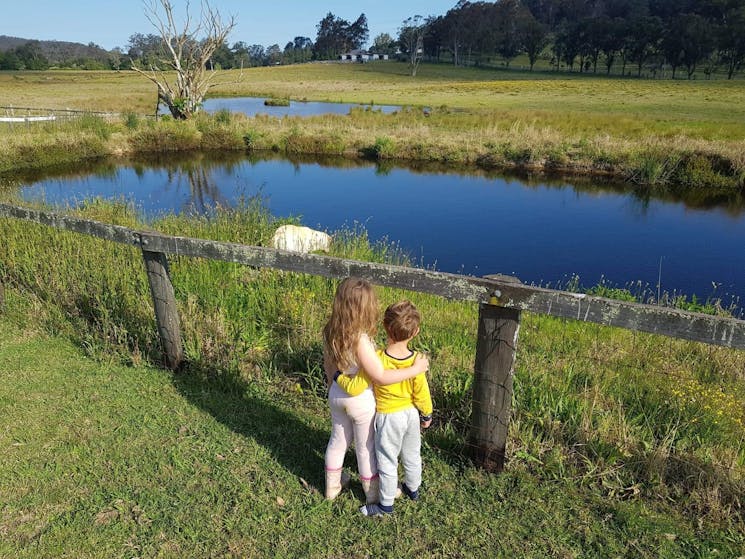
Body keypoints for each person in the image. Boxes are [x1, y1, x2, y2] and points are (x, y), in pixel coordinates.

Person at [323, 278, 429, 503]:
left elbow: (328, 363)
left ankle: (332, 487)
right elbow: (380, 375)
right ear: (366, 309)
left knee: (338, 440)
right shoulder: (360, 340)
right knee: (365, 447)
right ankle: (371, 491)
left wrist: (331, 384)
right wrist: (414, 370)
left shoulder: (331, 329)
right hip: (360, 400)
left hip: (336, 393)